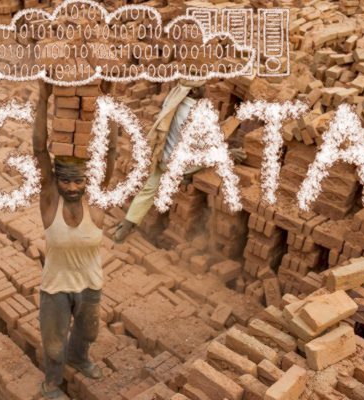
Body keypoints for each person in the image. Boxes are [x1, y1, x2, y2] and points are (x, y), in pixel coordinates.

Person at [33, 80, 117, 399]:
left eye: (77, 181)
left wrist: (107, 101)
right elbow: (39, 150)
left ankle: (79, 358)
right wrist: (44, 97)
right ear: (56, 179)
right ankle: (52, 382)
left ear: (87, 179)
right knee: (54, 344)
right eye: (65, 180)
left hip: (89, 284)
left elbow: (110, 152)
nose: (71, 187)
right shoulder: (50, 199)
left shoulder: (95, 200)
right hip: (56, 286)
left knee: (88, 332)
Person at [112, 80, 246, 243]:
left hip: (164, 158)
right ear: (193, 91)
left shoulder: (174, 100)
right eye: (203, 87)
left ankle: (125, 226)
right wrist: (228, 153)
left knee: (148, 190)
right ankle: (184, 176)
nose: (206, 89)